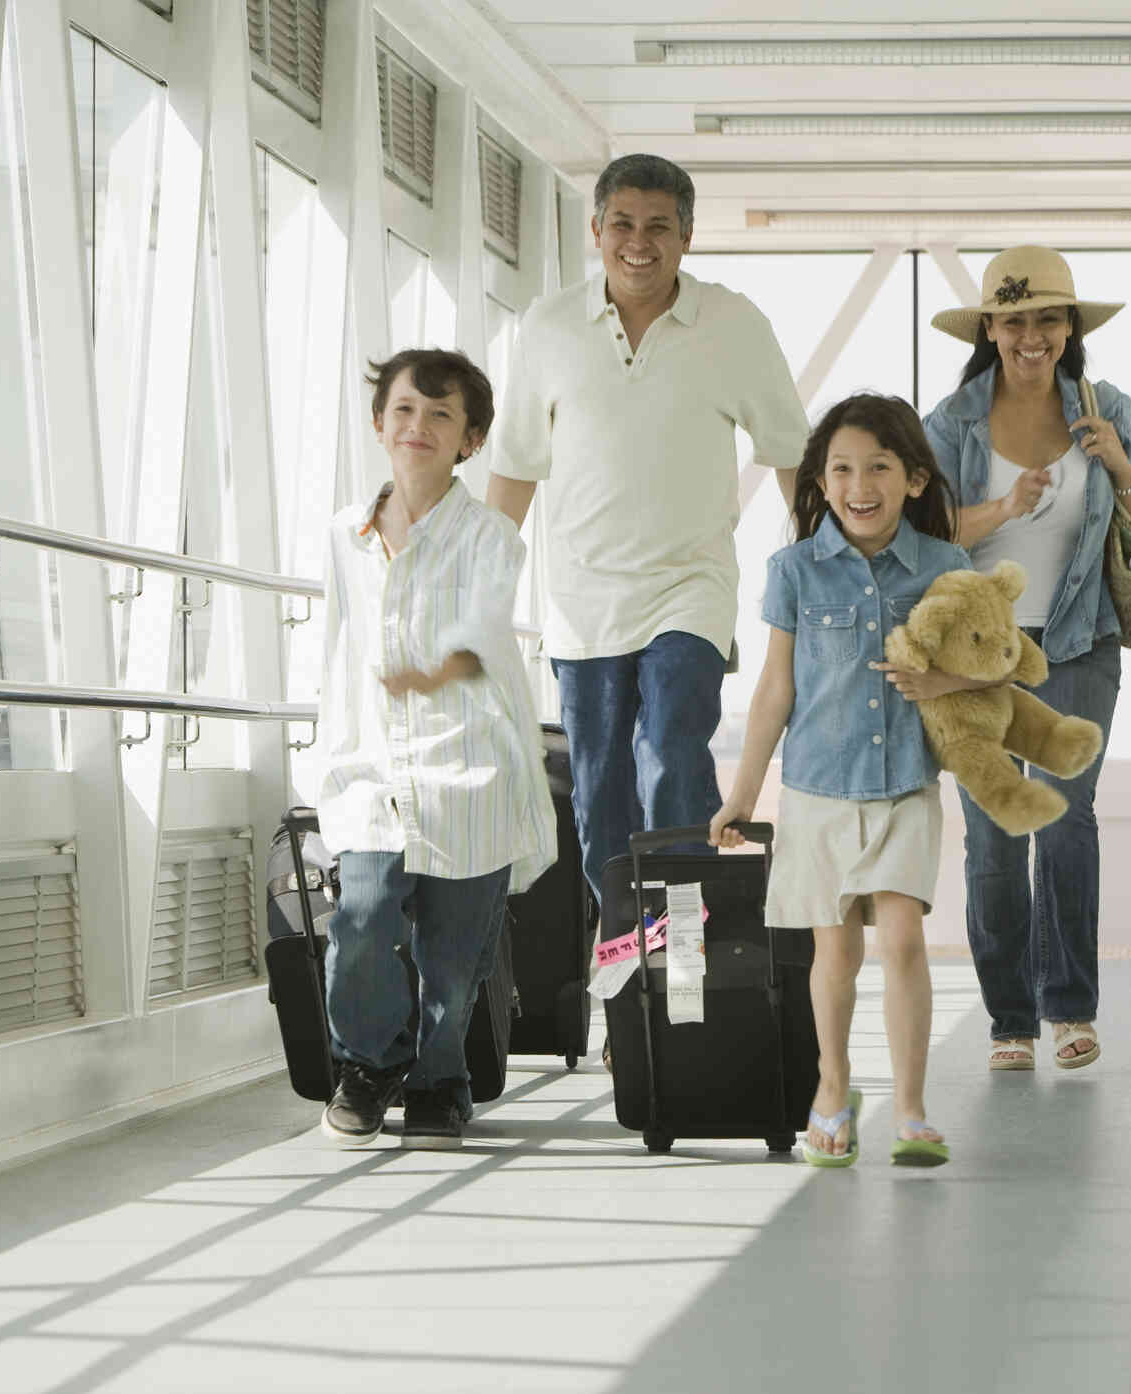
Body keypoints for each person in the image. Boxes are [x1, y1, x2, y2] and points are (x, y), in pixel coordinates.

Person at [482, 153, 808, 917]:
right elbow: (515, 467)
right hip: (581, 605)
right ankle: (629, 963)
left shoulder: (732, 323)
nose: (639, 242)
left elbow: (792, 454)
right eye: (622, 224)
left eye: (659, 227)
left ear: (686, 238)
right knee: (599, 798)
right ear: (594, 230)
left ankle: (686, 945)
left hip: (687, 591)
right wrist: (475, 596)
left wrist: (818, 570)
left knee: (668, 756)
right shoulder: (549, 326)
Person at [916, 246, 1131, 1072]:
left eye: (1047, 319)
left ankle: (1069, 1009)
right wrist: (1003, 507)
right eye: (1014, 320)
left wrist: (1117, 462)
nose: (1032, 335)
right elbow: (923, 537)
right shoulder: (949, 423)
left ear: (1069, 329)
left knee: (1064, 820)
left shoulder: (1107, 405)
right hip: (977, 658)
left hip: (1078, 642)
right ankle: (1009, 1022)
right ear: (988, 329)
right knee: (993, 837)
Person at [709, 394, 970, 1168]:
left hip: (904, 789)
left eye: (879, 467)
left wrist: (942, 683)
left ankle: (913, 1109)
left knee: (902, 940)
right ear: (820, 484)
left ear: (914, 479)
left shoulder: (946, 570)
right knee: (835, 958)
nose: (860, 484)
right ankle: (832, 1088)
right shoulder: (792, 570)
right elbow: (773, 691)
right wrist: (742, 795)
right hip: (818, 790)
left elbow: (990, 673)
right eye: (842, 469)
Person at [309, 349, 556, 1148]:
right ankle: (366, 1064)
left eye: (441, 415)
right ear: (379, 423)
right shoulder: (342, 537)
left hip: (468, 767)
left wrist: (436, 669)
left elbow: (480, 633)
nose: (419, 427)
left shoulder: (491, 538)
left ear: (471, 441)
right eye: (405, 410)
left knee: (453, 957)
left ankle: (439, 1079)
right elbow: (331, 647)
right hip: (372, 768)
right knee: (362, 917)